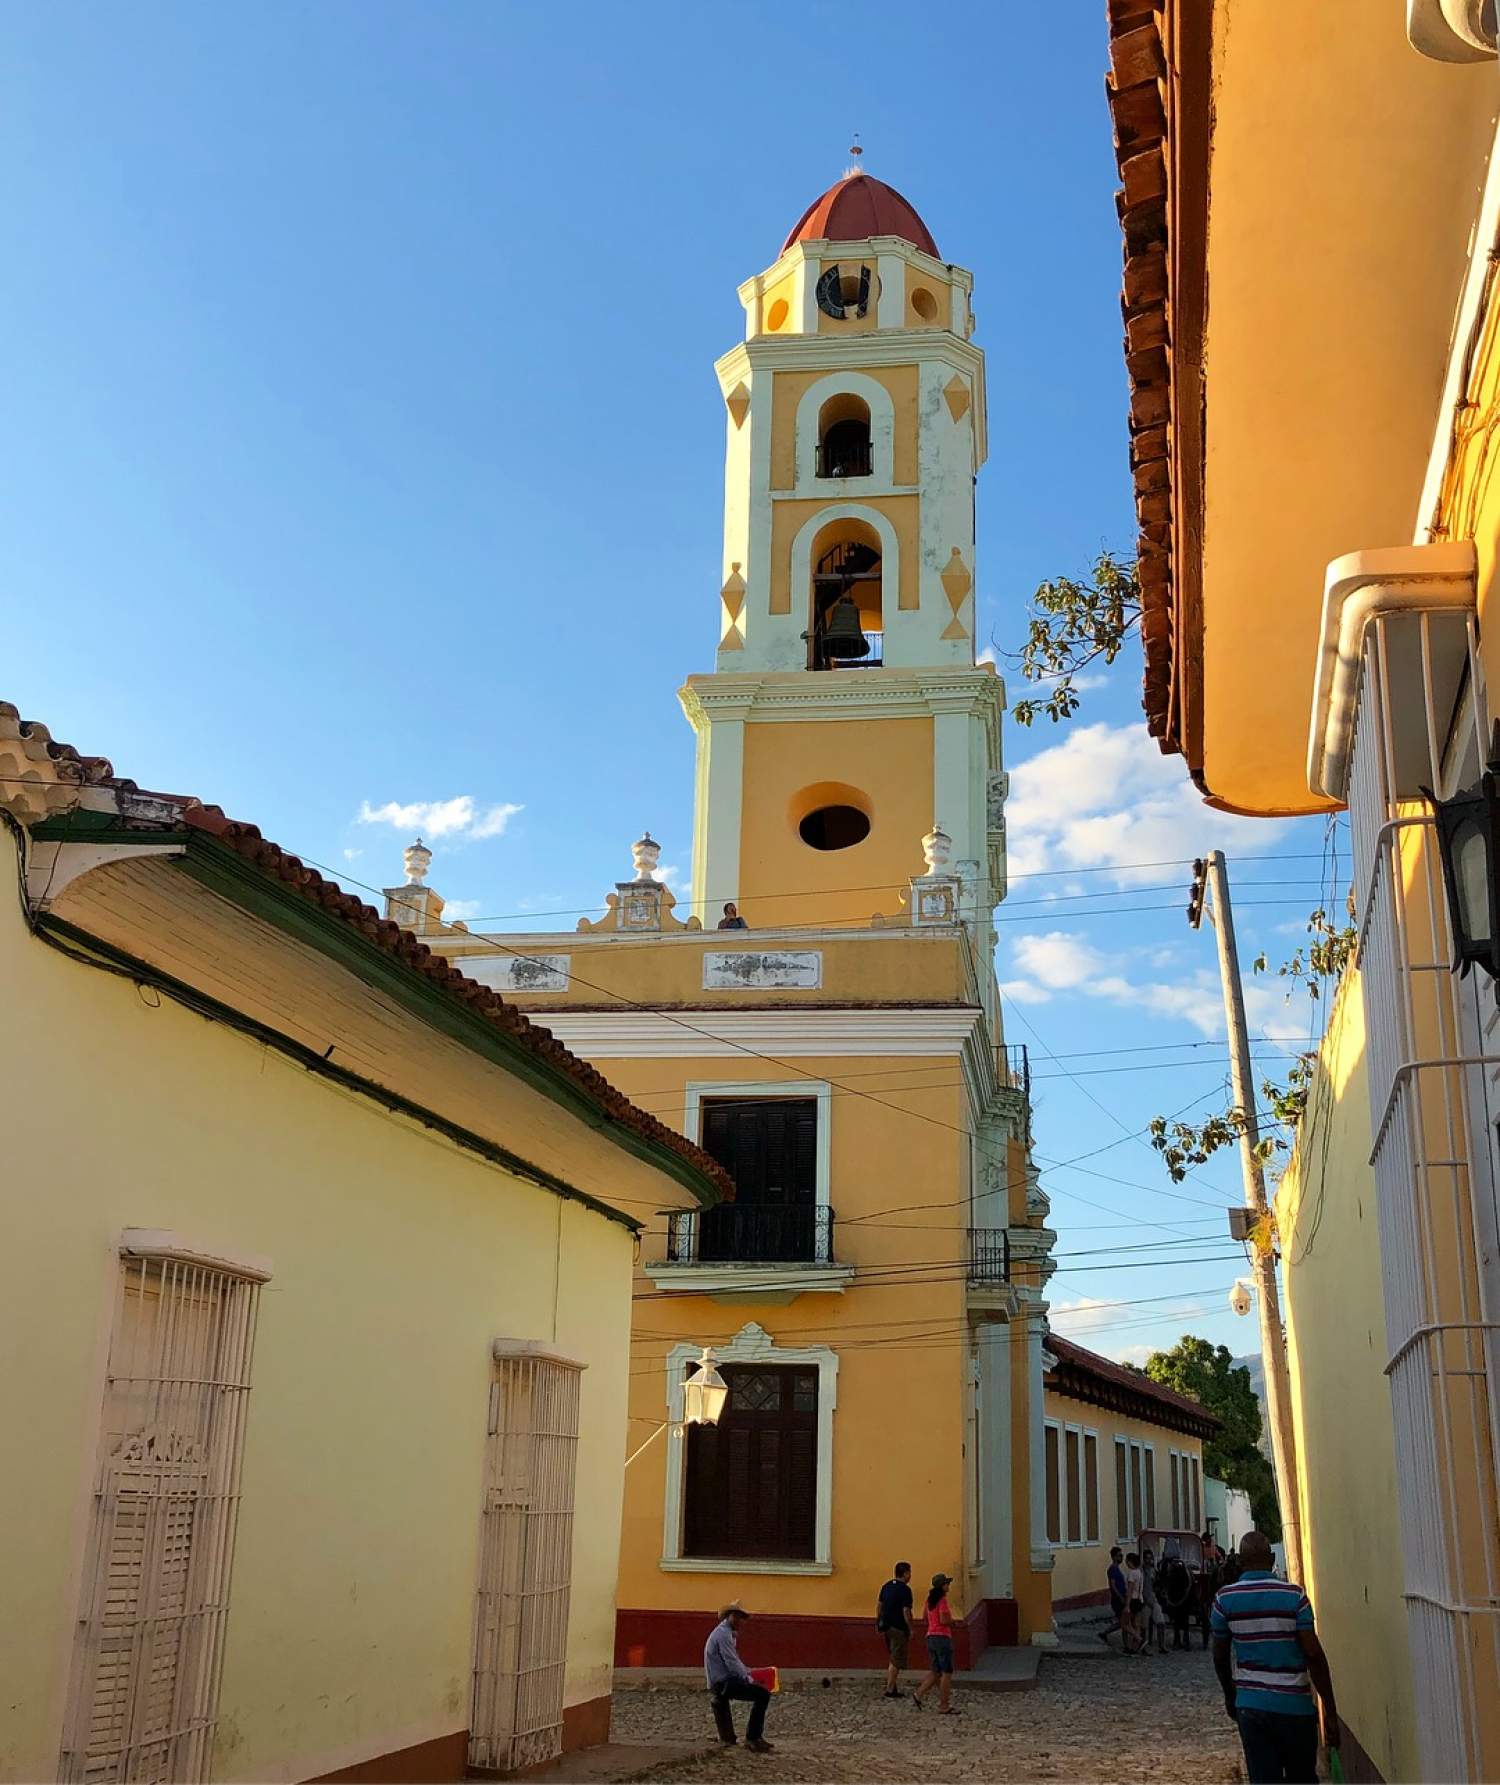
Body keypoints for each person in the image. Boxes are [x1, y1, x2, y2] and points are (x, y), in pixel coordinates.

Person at [1211, 1532, 1339, 1784]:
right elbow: (1313, 1655)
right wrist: (1331, 1712)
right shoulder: (1295, 1597)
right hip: (1295, 1707)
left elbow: (1220, 1655)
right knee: (1301, 1777)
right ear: (1271, 1559)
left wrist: (1230, 1694)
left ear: (1239, 1561)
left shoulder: (1224, 1600)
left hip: (1251, 1707)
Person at [704, 1602, 774, 1753]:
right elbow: (731, 1661)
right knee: (762, 1695)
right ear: (730, 1617)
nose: (741, 1621)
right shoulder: (724, 1635)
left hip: (719, 1681)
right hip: (722, 1683)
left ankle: (733, 1738)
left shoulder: (725, 1632)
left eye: (742, 1617)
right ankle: (753, 1738)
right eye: (738, 1617)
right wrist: (747, 1677)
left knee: (759, 1693)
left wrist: (746, 1673)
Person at [912, 1573, 959, 1713]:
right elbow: (943, 1620)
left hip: (930, 1637)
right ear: (942, 1586)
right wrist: (953, 1622)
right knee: (946, 1672)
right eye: (947, 1584)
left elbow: (924, 1618)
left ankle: (918, 1694)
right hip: (942, 1638)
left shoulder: (929, 1600)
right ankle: (944, 1705)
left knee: (936, 1671)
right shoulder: (942, 1601)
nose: (948, 1586)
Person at [876, 1561, 914, 1698]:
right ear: (905, 1573)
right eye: (909, 1573)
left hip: (886, 1625)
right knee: (896, 1660)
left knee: (892, 1655)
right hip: (898, 1627)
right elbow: (906, 1611)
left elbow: (879, 1605)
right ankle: (890, 1688)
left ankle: (892, 1685)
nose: (910, 1576)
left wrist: (878, 1620)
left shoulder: (886, 1586)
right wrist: (910, 1628)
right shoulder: (905, 1590)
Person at [1100, 1545, 1129, 1649]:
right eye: (1119, 1556)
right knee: (1123, 1622)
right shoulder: (1112, 1569)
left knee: (1123, 1622)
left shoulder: (1118, 1569)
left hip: (1121, 1597)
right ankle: (1126, 1645)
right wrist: (1120, 1597)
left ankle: (1105, 1633)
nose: (1121, 1558)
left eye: (1122, 1555)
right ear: (1114, 1557)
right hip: (1117, 1599)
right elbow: (1113, 1585)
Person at [1141, 1546, 1167, 1655]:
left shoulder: (1154, 1571)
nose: (1149, 1560)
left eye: (1150, 1558)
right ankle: (1143, 1647)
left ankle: (1162, 1646)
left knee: (1161, 1623)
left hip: (1154, 1599)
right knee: (1144, 1626)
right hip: (1145, 1601)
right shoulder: (1141, 1571)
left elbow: (1157, 1585)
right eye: (1147, 1558)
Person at [1124, 1551, 1147, 1657]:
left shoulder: (1132, 1573)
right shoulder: (1139, 1572)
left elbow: (1130, 1590)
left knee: (1125, 1624)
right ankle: (1135, 1648)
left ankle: (1139, 1639)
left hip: (1133, 1600)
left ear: (1130, 1562)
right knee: (1136, 1624)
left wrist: (1127, 1605)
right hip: (1139, 1600)